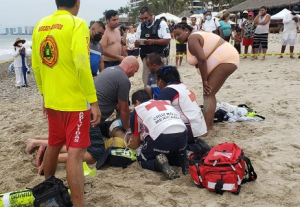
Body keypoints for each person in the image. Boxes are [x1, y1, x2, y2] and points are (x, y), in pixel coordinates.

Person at [31, 0, 101, 206]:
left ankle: (50, 192)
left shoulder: (40, 25)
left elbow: (36, 65)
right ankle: (78, 204)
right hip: (74, 101)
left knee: (54, 143)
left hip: (52, 99)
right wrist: (93, 101)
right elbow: (81, 64)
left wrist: (44, 93)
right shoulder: (77, 24)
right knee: (76, 153)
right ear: (77, 2)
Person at [173, 22, 239, 130]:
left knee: (208, 94)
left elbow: (202, 60)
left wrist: (204, 81)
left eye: (178, 34)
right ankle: (208, 125)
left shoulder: (192, 38)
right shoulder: (193, 37)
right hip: (225, 59)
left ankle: (207, 127)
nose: (177, 38)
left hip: (225, 59)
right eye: (174, 36)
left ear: (186, 30)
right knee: (209, 94)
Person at [126, 89, 188, 180]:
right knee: (170, 154)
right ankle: (182, 159)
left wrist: (127, 145)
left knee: (141, 160)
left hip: (162, 137)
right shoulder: (165, 103)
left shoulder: (137, 110)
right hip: (183, 136)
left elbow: (135, 144)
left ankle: (157, 164)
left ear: (137, 102)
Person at [156, 65, 209, 154]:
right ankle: (195, 144)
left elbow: (161, 114)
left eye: (157, 80)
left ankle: (190, 148)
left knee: (159, 141)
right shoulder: (182, 87)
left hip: (189, 128)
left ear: (161, 80)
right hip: (198, 126)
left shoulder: (167, 91)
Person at [94, 56, 139, 132]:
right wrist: (127, 128)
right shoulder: (123, 80)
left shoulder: (108, 70)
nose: (133, 75)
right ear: (131, 67)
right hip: (94, 120)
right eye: (135, 71)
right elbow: (123, 109)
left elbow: (118, 106)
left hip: (87, 111)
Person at [26, 122, 105, 165]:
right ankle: (50, 158)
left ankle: (39, 142)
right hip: (84, 116)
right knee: (95, 154)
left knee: (70, 141)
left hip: (70, 113)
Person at [135, 7, 171, 88]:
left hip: (159, 57)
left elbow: (167, 40)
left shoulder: (161, 24)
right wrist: (137, 43)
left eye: (146, 18)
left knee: (162, 81)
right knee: (147, 81)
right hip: (146, 59)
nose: (144, 20)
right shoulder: (140, 27)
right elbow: (136, 42)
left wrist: (153, 41)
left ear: (151, 15)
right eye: (141, 19)